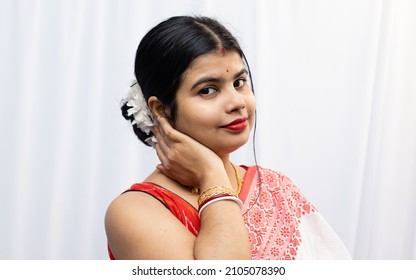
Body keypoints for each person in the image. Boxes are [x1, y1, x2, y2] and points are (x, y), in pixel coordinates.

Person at [105, 15, 351, 260]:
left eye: (239, 82)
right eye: (208, 90)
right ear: (161, 109)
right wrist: (211, 174)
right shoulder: (134, 212)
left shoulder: (277, 188)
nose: (237, 102)